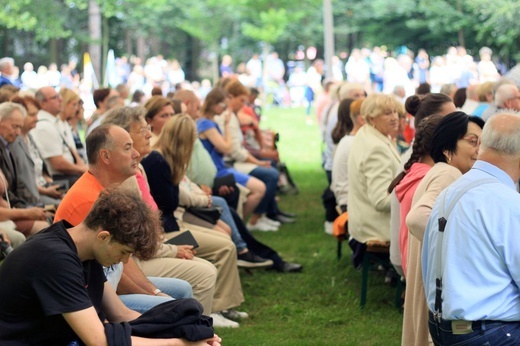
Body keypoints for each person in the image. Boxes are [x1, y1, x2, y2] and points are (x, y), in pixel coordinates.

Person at [0, 189, 222, 346]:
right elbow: (98, 340)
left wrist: (188, 331)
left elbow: (121, 313)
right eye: (124, 253)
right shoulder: (55, 259)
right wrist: (177, 344)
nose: (124, 262)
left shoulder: (83, 249)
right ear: (104, 237)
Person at [53, 123, 221, 322]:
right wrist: (156, 294)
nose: (135, 154)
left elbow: (122, 260)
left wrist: (155, 291)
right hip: (95, 298)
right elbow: (111, 271)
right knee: (175, 306)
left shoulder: (107, 189)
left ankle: (194, 330)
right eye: (127, 148)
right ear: (105, 156)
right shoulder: (89, 199)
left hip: (108, 284)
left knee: (182, 290)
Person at [143, 114, 249, 327]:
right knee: (225, 247)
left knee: (225, 238)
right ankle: (217, 308)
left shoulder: (165, 160)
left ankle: (223, 305)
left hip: (172, 226)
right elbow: (170, 203)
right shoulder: (158, 161)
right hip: (168, 232)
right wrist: (201, 197)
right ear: (183, 140)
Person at [422, 113, 520, 345]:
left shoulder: (451, 191)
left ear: (483, 145)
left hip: (443, 326)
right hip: (489, 332)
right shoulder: (507, 202)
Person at [405, 112, 485, 345]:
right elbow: (417, 218)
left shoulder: (444, 171)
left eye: (482, 142)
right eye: (472, 142)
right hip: (434, 284)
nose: (478, 150)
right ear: (448, 147)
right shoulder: (448, 174)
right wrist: (462, 247)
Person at [347, 93, 401, 268]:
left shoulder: (366, 134)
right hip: (376, 227)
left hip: (362, 220)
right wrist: (413, 194)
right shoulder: (376, 147)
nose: (394, 118)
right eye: (387, 113)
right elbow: (380, 201)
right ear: (371, 118)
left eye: (395, 112)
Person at [10, 95, 63, 206]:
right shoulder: (13, 142)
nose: (37, 119)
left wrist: (49, 183)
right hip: (31, 198)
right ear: (20, 116)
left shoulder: (29, 136)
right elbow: (22, 184)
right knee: (67, 208)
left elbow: (42, 169)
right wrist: (47, 191)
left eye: (37, 114)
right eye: (32, 115)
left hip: (43, 189)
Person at [32, 86, 87, 184]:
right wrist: (83, 170)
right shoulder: (44, 125)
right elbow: (58, 164)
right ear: (43, 104)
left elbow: (71, 150)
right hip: (60, 177)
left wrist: (83, 168)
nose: (60, 99)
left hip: (68, 174)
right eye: (55, 97)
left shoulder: (55, 122)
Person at [331, 99, 364, 213]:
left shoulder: (348, 140)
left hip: (346, 200)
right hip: (349, 204)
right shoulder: (355, 142)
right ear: (361, 119)